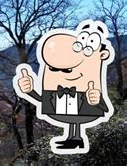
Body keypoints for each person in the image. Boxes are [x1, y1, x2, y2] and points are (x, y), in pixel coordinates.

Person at [15, 20, 114, 152]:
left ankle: (76, 138)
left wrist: (96, 101)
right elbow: (42, 101)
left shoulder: (89, 90)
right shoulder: (54, 93)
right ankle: (73, 139)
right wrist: (29, 90)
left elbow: (104, 108)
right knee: (73, 119)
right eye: (54, 69)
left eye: (67, 69)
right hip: (65, 109)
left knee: (76, 119)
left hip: (84, 108)